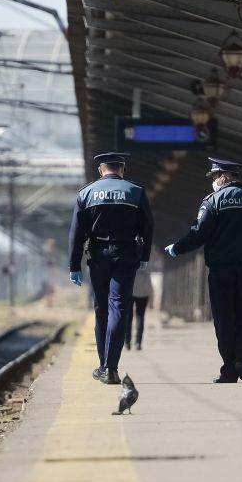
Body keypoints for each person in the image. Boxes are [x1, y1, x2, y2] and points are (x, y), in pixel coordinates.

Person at [164, 158, 242, 383]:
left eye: (215, 177)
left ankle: (228, 369)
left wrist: (177, 249)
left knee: (224, 317)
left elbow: (199, 233)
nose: (214, 182)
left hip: (221, 269)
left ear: (224, 176)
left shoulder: (212, 201)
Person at [68, 152, 154, 385]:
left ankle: (103, 365)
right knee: (119, 308)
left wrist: (74, 265)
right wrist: (144, 256)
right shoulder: (135, 191)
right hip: (126, 255)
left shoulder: (85, 193)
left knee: (101, 310)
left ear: (100, 170)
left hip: (97, 257)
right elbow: (148, 227)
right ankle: (111, 368)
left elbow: (76, 234)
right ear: (122, 169)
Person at [126, 265, 152, 351]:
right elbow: (149, 278)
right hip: (143, 292)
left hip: (130, 290)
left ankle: (127, 342)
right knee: (140, 317)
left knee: (128, 318)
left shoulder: (130, 258)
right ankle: (138, 343)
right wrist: (151, 294)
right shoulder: (146, 260)